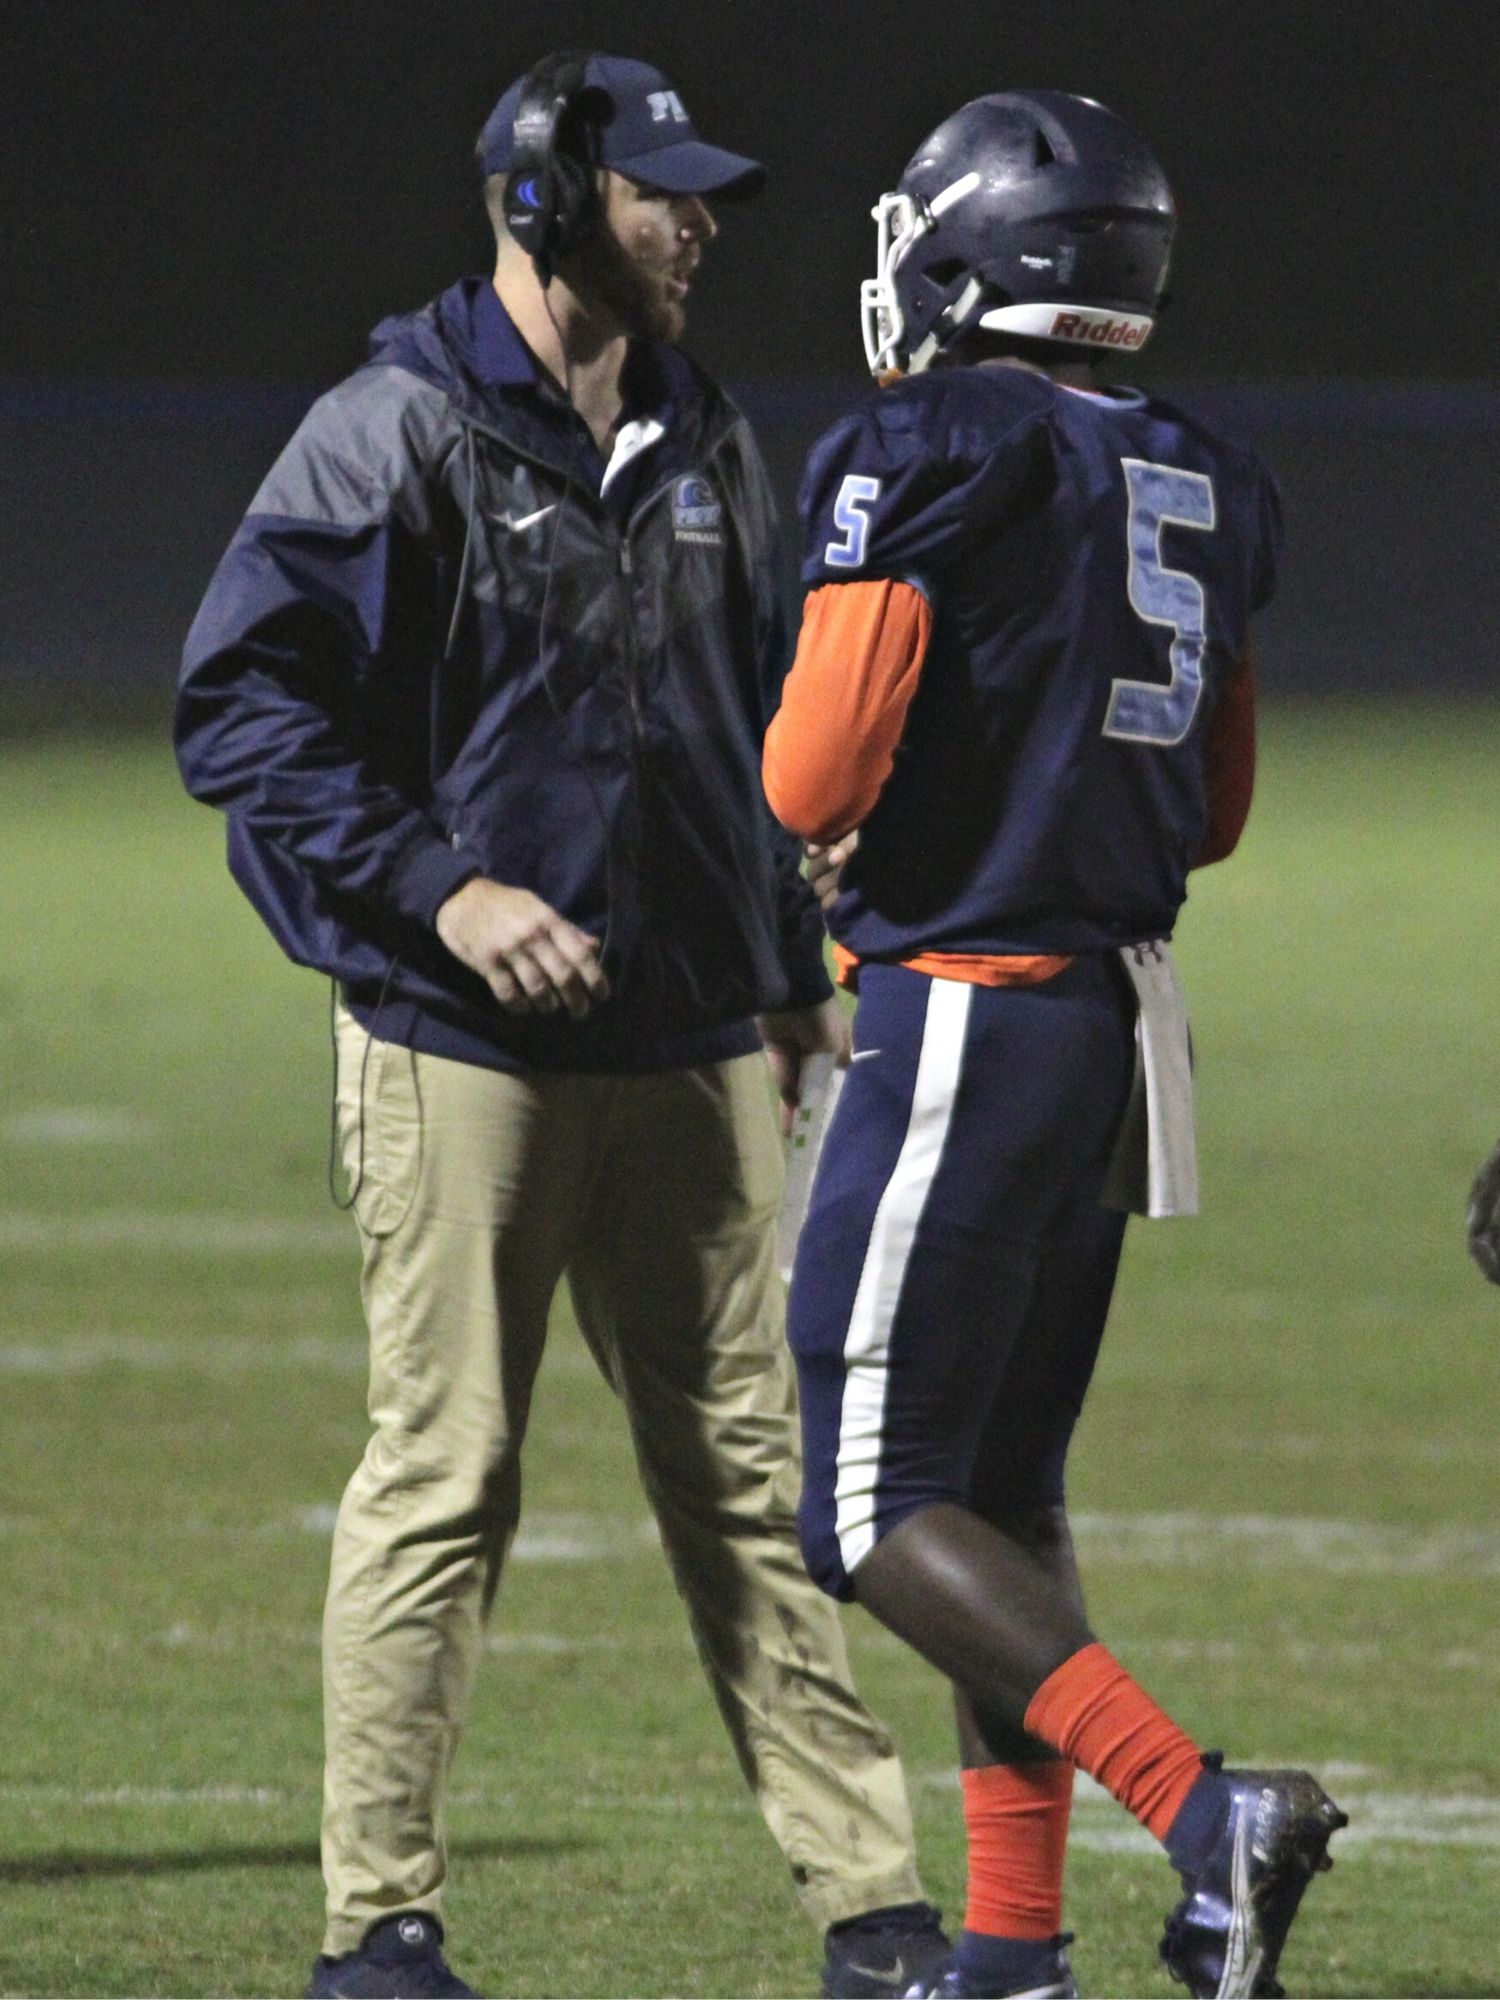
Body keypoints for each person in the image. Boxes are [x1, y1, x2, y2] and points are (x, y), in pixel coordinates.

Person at [175, 51, 949, 2000]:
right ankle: (380, 1923)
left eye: (699, 196)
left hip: (695, 1044)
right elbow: (244, 714)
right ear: (542, 206)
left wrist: (787, 969)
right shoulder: (396, 427)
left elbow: (753, 729)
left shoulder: (709, 437)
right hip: (462, 1050)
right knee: (448, 1474)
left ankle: (873, 1910)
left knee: (756, 1490)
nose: (695, 226)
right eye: (657, 194)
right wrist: (440, 884)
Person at [763, 91, 1347, 2000]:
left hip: (963, 1006)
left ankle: (1202, 1816)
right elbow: (1221, 802)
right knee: (998, 1496)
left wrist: (883, 814)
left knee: (863, 1502)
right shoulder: (1205, 465)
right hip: (1114, 1024)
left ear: (970, 251)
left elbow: (811, 772)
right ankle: (1015, 1949)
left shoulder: (924, 439)